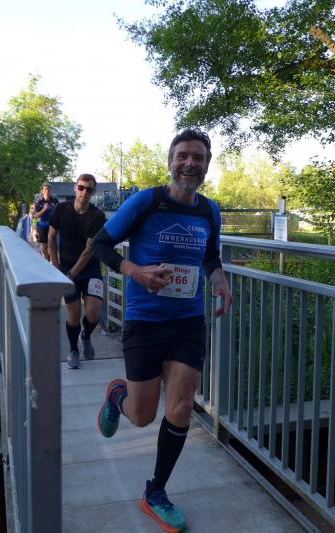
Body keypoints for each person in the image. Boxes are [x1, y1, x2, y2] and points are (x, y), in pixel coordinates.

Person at [91, 129, 232, 533]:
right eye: (182, 156)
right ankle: (117, 395)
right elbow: (100, 244)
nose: (190, 163)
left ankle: (156, 491)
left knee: (182, 406)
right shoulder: (146, 202)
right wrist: (135, 271)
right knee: (141, 416)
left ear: (207, 165)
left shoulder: (209, 211)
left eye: (198, 157)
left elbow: (210, 256)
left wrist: (220, 277)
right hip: (144, 321)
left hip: (187, 321)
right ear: (170, 162)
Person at [48, 173, 106, 369]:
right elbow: (51, 238)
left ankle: (86, 335)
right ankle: (73, 350)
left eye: (89, 189)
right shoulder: (60, 209)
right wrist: (55, 267)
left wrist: (71, 274)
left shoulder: (97, 216)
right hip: (65, 267)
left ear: (93, 192)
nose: (84, 192)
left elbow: (89, 250)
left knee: (93, 312)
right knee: (73, 314)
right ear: (75, 188)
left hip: (90, 268)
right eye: (81, 187)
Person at [32, 182, 58, 261]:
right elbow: (36, 216)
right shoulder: (39, 202)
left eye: (48, 189)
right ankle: (46, 260)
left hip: (53, 226)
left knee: (51, 245)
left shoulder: (55, 201)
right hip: (42, 226)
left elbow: (60, 212)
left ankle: (52, 262)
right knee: (44, 246)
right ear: (42, 191)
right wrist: (44, 209)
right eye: (45, 189)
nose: (47, 191)